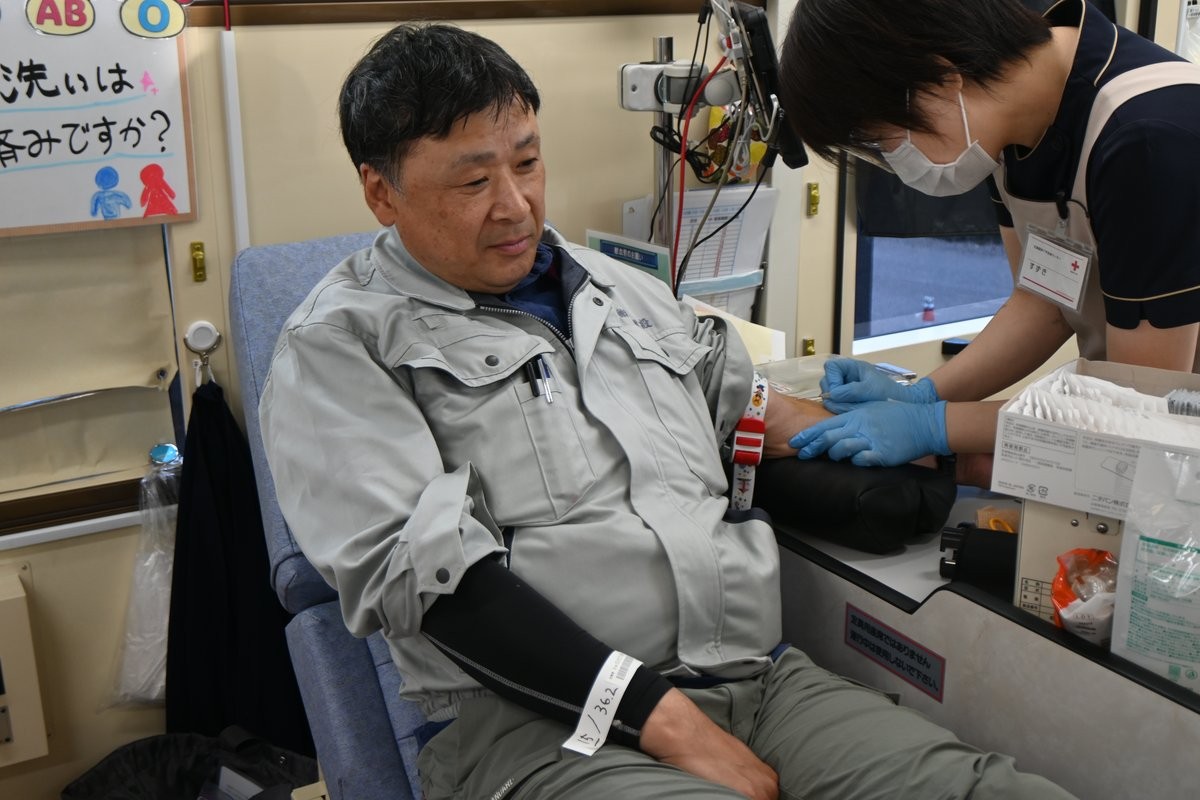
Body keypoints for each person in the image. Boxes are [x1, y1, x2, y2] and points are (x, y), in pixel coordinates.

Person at [259, 22, 1076, 800]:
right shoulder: (341, 348)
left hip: (756, 681)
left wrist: (943, 437)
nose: (515, 204)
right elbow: (438, 587)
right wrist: (664, 721)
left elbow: (757, 419)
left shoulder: (624, 293)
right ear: (382, 192)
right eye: (474, 182)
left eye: (528, 162)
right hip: (536, 726)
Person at [778, 0, 1200, 468]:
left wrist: (933, 425)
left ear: (941, 79)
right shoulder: (1011, 123)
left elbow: (1137, 408)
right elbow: (1045, 300)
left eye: (882, 139)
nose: (892, 160)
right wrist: (922, 395)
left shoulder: (1148, 142)